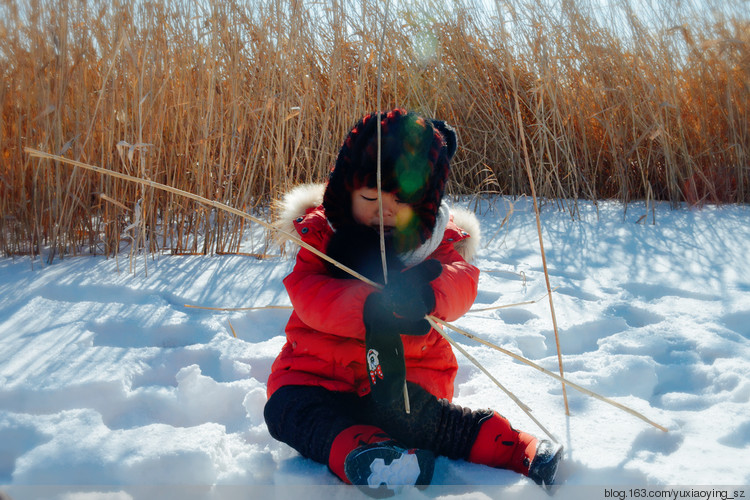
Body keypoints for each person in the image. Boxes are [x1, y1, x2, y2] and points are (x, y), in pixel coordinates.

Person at [264, 108, 562, 497]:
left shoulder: (436, 244)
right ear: (344, 192)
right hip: (318, 376)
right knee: (286, 411)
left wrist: (427, 294)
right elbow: (309, 296)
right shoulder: (321, 237)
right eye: (369, 196)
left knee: (428, 420)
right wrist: (370, 306)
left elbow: (462, 283)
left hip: (405, 380)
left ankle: (516, 449)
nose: (383, 210)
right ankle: (367, 453)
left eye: (401, 201)